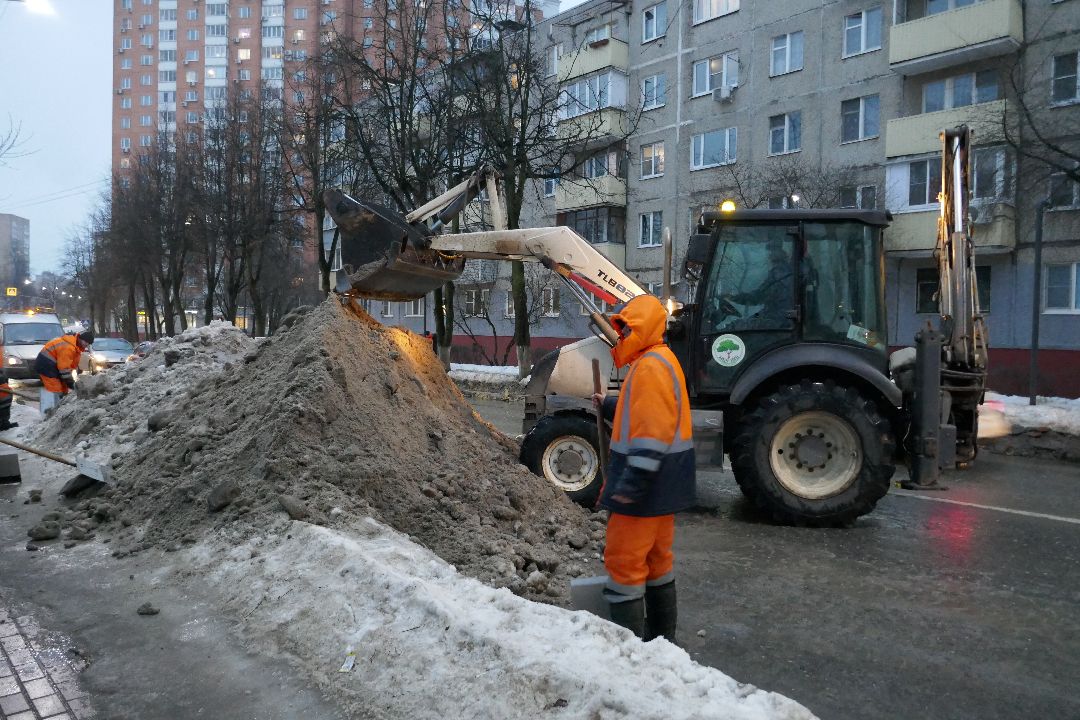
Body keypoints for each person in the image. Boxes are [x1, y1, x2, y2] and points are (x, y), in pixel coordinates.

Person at [591, 294, 695, 642]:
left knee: (624, 562)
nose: (621, 336)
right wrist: (608, 404)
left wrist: (631, 487)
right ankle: (662, 642)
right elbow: (643, 410)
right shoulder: (659, 361)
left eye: (625, 330)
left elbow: (651, 433)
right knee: (656, 560)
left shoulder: (650, 367)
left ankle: (630, 653)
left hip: (645, 488)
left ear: (645, 328)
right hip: (663, 486)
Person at [36, 330, 94, 401]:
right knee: (56, 390)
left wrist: (72, 377)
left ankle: (61, 402)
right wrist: (71, 382)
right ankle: (52, 406)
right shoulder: (68, 347)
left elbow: (70, 365)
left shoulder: (75, 347)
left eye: (89, 343)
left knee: (64, 390)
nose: (87, 344)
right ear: (80, 338)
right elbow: (64, 368)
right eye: (86, 341)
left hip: (54, 366)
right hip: (46, 366)